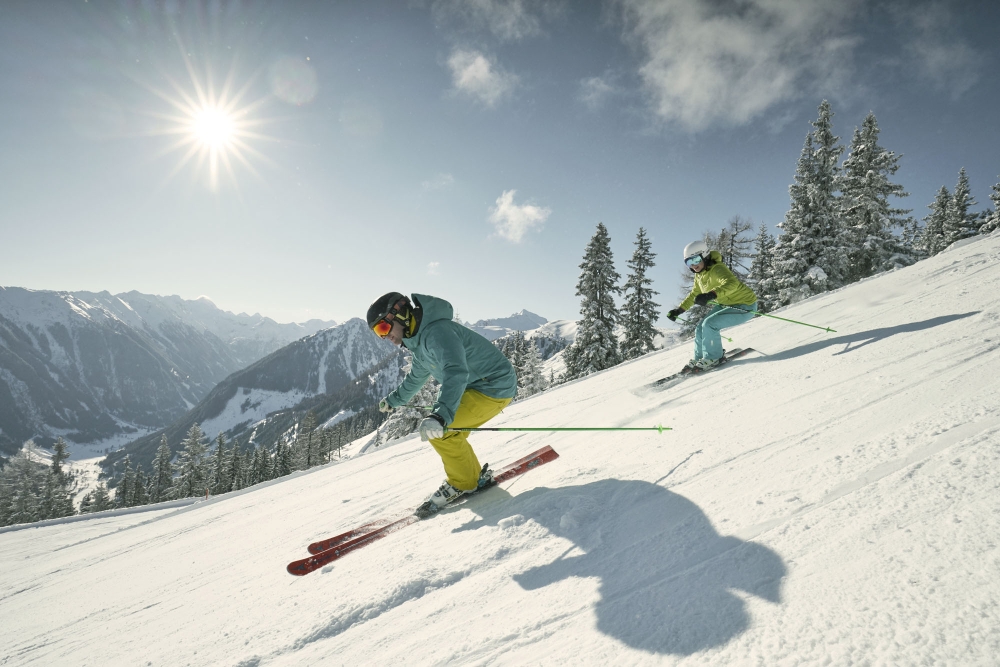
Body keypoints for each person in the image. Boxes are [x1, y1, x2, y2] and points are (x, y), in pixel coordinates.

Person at [366, 292, 518, 513]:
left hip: (493, 387)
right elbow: (416, 377)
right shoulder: (418, 340)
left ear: (400, 316)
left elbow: (455, 371)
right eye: (378, 333)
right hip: (476, 386)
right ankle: (473, 477)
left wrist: (440, 416)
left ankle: (464, 482)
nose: (384, 337)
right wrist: (394, 400)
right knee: (449, 431)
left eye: (383, 328)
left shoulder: (438, 333)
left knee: (443, 431)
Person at [666, 241, 758, 370]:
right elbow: (694, 294)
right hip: (725, 304)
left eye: (696, 259)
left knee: (709, 325)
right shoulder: (700, 275)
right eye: (688, 262)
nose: (693, 265)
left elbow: (732, 283)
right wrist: (679, 310)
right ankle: (700, 358)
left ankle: (714, 358)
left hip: (744, 305)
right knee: (700, 328)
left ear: (704, 256)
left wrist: (712, 294)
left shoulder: (717, 269)